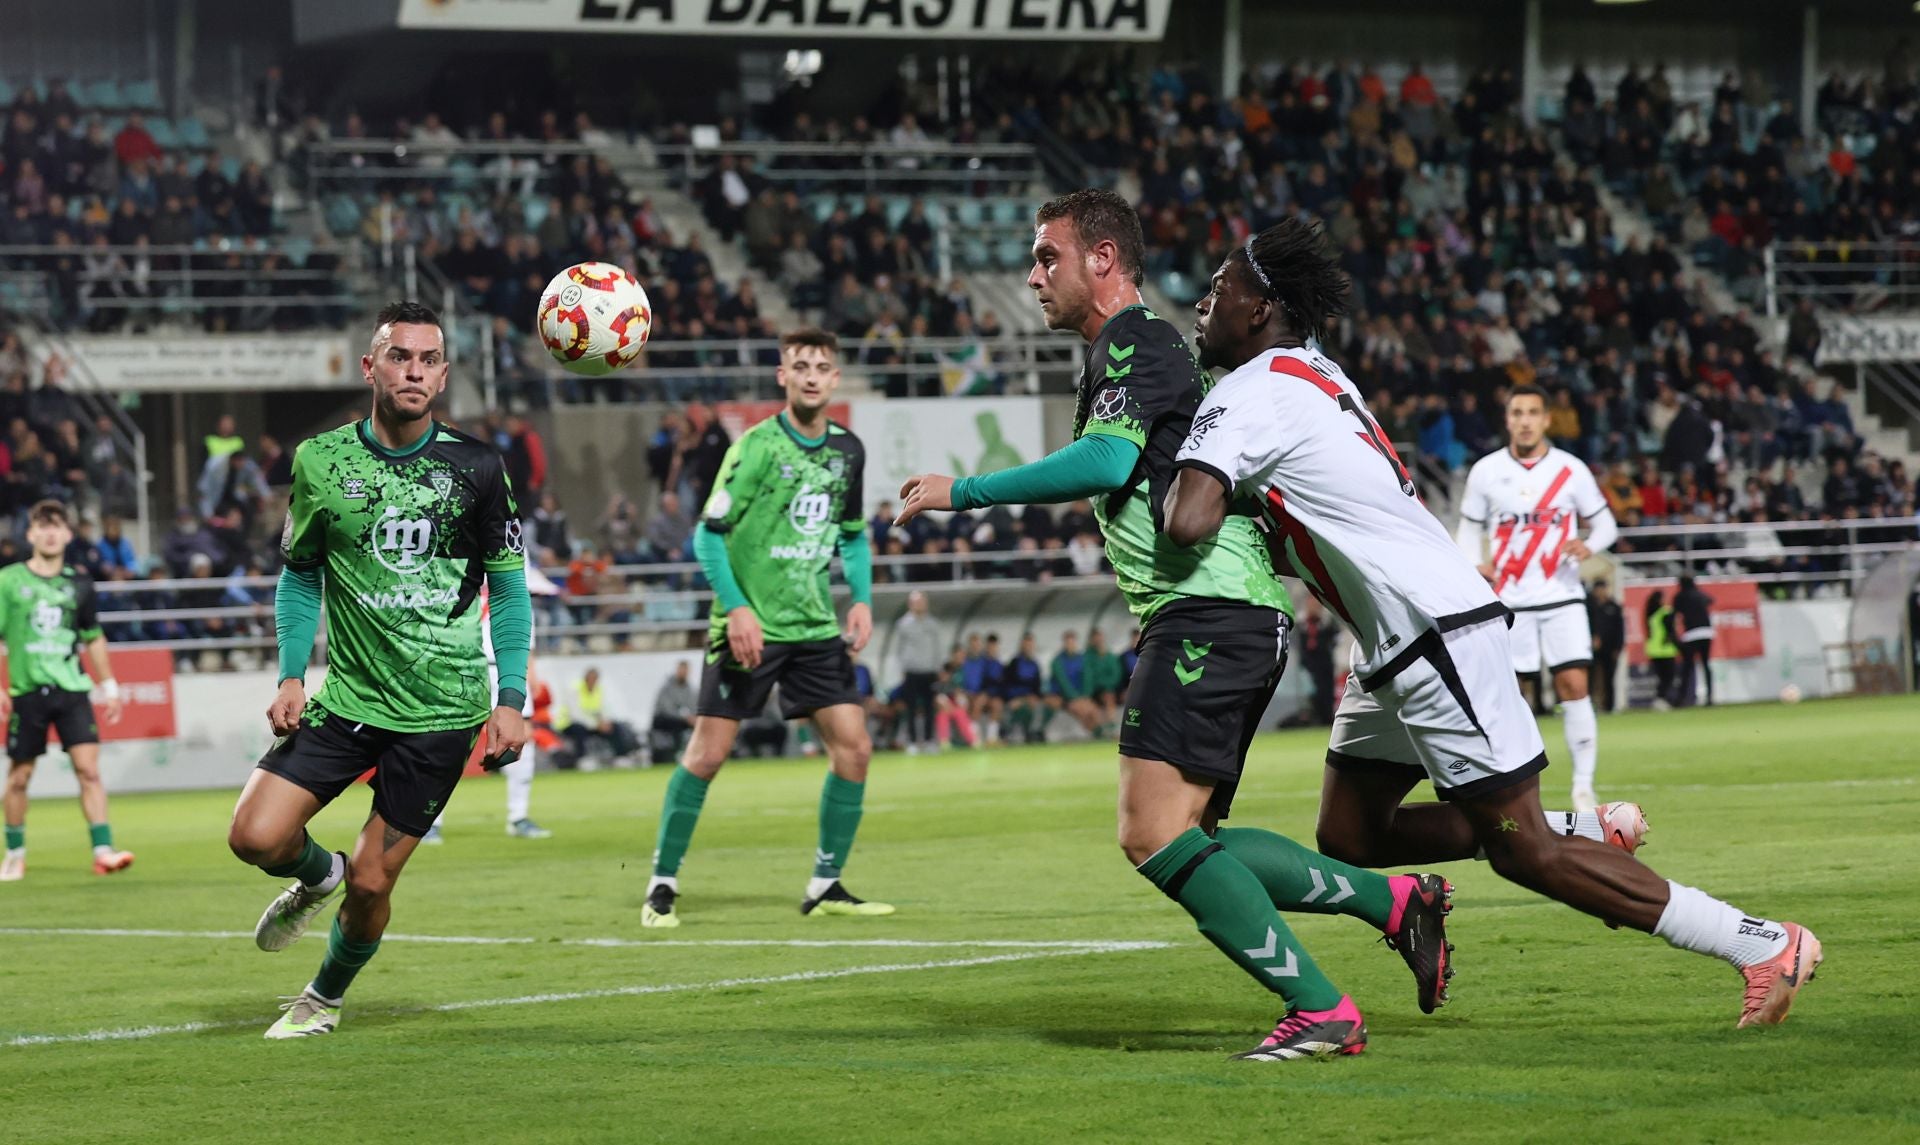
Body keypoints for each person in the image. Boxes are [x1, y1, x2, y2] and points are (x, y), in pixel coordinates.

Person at [1165, 219, 1820, 1034]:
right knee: (1350, 833)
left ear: (1260, 307)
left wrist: (1166, 472)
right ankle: (1587, 828)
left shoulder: (1248, 391)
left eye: (1219, 287)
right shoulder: (1317, 373)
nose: (1203, 302)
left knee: (1524, 852)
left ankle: (1762, 942)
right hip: (1400, 635)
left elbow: (1186, 521)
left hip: (1431, 629)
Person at [898, 190, 1454, 1062]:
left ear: (1105, 260)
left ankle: (1322, 1008)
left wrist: (960, 491)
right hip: (1219, 611)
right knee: (1190, 838)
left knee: (1150, 831)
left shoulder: (1137, 340)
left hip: (1209, 610)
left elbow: (1109, 458)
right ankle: (1393, 904)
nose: (1033, 275)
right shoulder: (1130, 352)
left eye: (1049, 257)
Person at [226, 301, 532, 1039]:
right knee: (254, 836)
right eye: (400, 357)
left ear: (444, 373)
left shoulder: (479, 467)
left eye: (429, 359)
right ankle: (315, 874)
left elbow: (510, 585)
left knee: (374, 879)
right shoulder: (320, 461)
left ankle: (323, 997)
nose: (414, 371)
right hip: (350, 699)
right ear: (371, 366)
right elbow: (300, 574)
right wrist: (292, 674)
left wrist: (511, 695)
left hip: (443, 709)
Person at [642, 328, 887, 928]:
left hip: (812, 625)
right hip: (749, 627)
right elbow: (707, 534)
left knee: (854, 749)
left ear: (834, 379)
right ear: (783, 376)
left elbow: (852, 534)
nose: (810, 375)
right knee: (707, 755)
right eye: (800, 365)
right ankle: (661, 884)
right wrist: (739, 608)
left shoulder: (847, 452)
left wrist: (860, 600)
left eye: (822, 366)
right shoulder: (754, 447)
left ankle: (826, 884)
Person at [1456, 386, 1620, 811]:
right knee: (1512, 696)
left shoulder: (1570, 470)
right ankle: (1515, 789)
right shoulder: (1487, 471)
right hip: (1509, 602)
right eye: (1517, 412)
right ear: (1507, 420)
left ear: (1547, 419)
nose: (1525, 420)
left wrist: (1589, 545)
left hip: (1562, 596)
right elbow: (1469, 528)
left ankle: (1584, 787)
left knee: (1574, 686)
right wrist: (1475, 565)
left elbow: (1606, 525)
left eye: (1532, 412)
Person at [0, 500, 130, 882]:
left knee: (89, 771)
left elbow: (93, 637)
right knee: (19, 776)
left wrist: (108, 685)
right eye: (42, 524)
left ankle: (103, 850)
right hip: (27, 691)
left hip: (72, 690)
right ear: (30, 534)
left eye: (57, 525)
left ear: (69, 535)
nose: (50, 531)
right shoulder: (8, 581)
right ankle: (14, 853)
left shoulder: (80, 583)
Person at [423, 570, 556, 843]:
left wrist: (531, 677)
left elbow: (523, 646)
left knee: (515, 739)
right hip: (475, 669)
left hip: (494, 670)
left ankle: (517, 816)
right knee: (447, 741)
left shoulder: (502, 597)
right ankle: (431, 820)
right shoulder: (496, 595)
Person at [892, 589, 943, 753]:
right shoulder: (903, 624)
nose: (919, 604)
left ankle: (929, 740)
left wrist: (938, 668)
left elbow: (938, 648)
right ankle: (912, 741)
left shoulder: (933, 624)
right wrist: (902, 668)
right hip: (911, 671)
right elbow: (899, 649)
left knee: (929, 708)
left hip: (929, 671)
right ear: (910, 604)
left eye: (921, 601)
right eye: (915, 602)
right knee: (911, 708)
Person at [1673, 576, 1715, 706]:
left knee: (1688, 666)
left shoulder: (1680, 596)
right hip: (1706, 631)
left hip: (1691, 633)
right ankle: (1709, 697)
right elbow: (1710, 600)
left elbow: (1675, 612)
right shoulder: (1699, 594)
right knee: (1706, 664)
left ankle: (1682, 698)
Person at [998, 632, 1046, 744]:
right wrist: (1015, 698)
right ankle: (1004, 734)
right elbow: (1007, 684)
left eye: (1031, 645)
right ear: (1022, 646)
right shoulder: (1014, 663)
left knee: (1038, 705)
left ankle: (1034, 733)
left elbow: (1037, 686)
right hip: (1014, 697)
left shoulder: (1035, 664)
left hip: (1029, 697)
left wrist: (1034, 696)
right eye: (1026, 644)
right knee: (1009, 708)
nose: (1029, 647)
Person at [1588, 581, 1625, 713]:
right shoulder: (1589, 606)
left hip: (1610, 648)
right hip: (1590, 648)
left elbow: (1620, 629)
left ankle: (1609, 706)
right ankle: (1590, 706)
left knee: (1609, 678)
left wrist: (1618, 647)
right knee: (1590, 679)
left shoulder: (1614, 606)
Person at [650, 660, 697, 761]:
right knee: (677, 724)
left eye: (686, 671)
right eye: (681, 670)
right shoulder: (667, 688)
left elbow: (693, 706)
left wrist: (693, 718)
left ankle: (694, 753)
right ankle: (675, 754)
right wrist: (686, 718)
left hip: (679, 720)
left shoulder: (689, 688)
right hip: (661, 719)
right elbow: (667, 710)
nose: (683, 673)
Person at [1643, 589, 1679, 708]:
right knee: (1668, 677)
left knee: (1662, 677)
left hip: (1653, 649)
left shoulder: (1651, 614)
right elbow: (1671, 630)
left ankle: (1661, 699)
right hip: (1665, 650)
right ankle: (1661, 698)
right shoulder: (1665, 612)